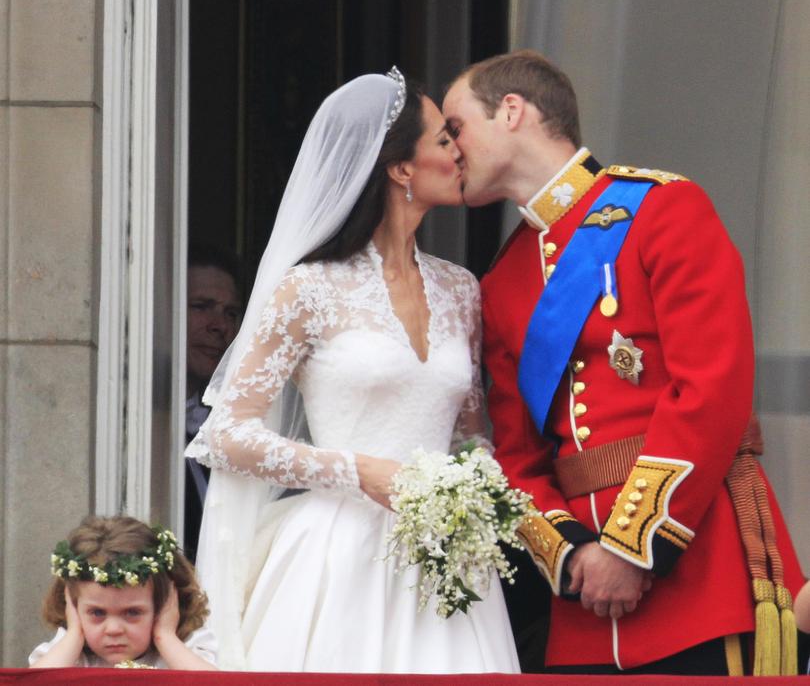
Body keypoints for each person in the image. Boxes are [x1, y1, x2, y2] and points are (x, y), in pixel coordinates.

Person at [442, 50, 805, 675]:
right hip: (583, 606)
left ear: (511, 111)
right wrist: (574, 553)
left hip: (697, 573)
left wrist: (633, 548)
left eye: (456, 127)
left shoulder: (663, 208)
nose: (449, 149)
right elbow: (517, 457)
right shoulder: (502, 281)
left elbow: (711, 391)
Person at [186, 68, 519, 673]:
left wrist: (475, 487)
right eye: (443, 139)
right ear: (400, 169)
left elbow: (469, 431)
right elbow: (228, 434)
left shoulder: (461, 289)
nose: (459, 151)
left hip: (447, 562)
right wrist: (356, 470)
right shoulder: (308, 289)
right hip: (338, 556)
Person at [29, 515, 217, 670]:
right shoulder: (69, 654)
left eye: (132, 612)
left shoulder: (185, 649)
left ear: (165, 606)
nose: (113, 629)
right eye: (97, 613)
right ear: (73, 608)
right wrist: (74, 635)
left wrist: (165, 637)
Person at [185, 243, 242, 562]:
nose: (219, 326)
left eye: (230, 313)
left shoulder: (234, 428)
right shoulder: (134, 424)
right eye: (202, 306)